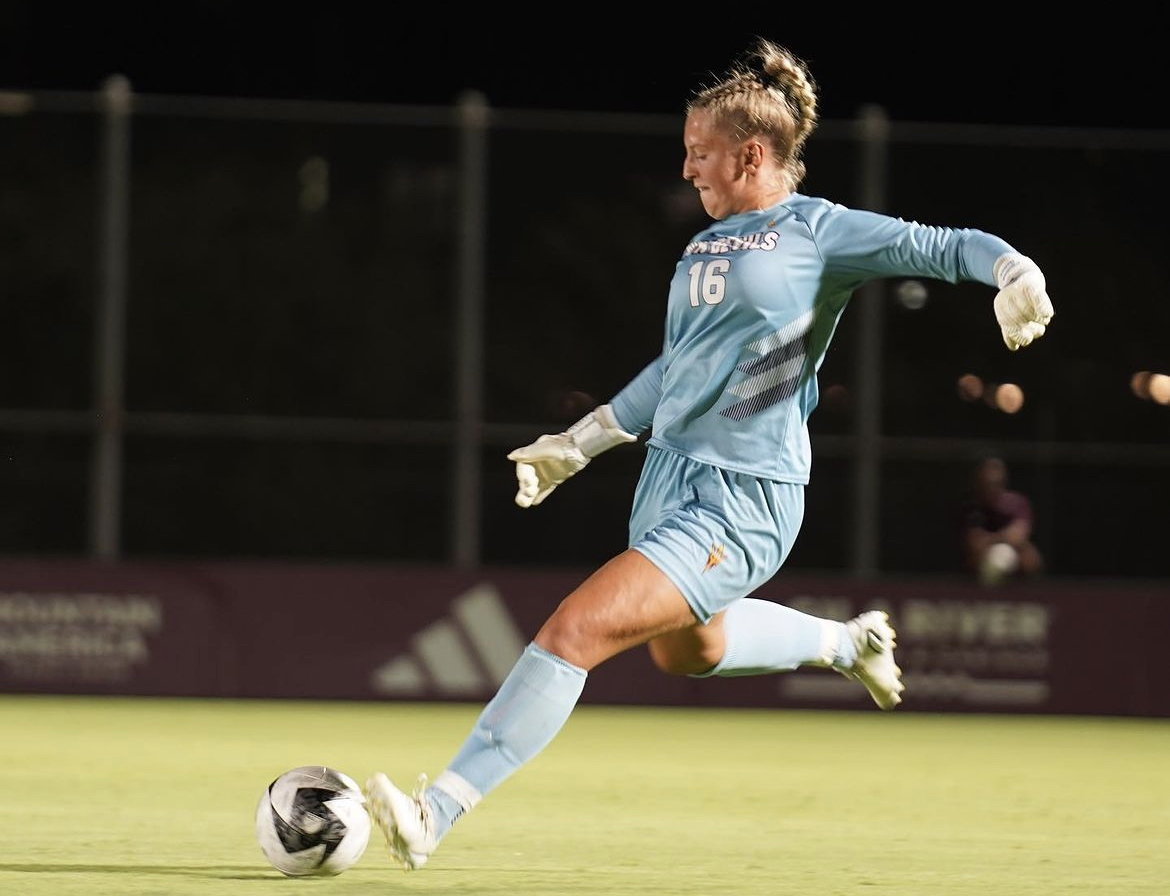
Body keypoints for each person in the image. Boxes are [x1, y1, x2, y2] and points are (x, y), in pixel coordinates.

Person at [365, 37, 1054, 871]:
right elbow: (677, 371)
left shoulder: (817, 231)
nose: (688, 169)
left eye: (699, 154)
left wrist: (1013, 272)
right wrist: (579, 444)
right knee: (684, 650)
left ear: (750, 154)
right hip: (668, 481)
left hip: (745, 496)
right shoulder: (702, 247)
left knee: (573, 630)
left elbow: (941, 245)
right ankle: (848, 645)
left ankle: (435, 812)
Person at [960, 455, 1045, 586]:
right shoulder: (973, 507)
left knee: (1030, 556)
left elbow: (1018, 536)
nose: (991, 485)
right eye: (987, 482)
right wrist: (1000, 542)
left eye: (995, 482)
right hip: (983, 558)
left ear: (1003, 481)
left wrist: (994, 540)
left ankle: (1032, 596)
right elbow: (975, 543)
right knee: (976, 557)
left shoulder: (1017, 503)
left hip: (1014, 553)